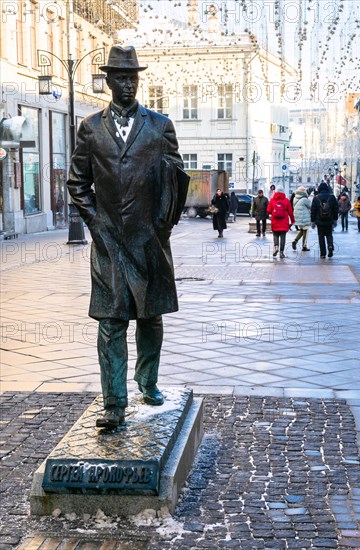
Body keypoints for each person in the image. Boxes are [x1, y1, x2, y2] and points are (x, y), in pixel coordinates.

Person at [67, 45, 189, 430]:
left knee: (150, 317)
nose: (127, 84)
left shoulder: (160, 126)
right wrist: (95, 223)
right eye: (120, 77)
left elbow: (176, 178)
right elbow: (77, 182)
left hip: (150, 239)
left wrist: (164, 222)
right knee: (111, 321)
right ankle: (114, 404)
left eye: (133, 77)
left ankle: (148, 383)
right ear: (108, 81)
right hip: (109, 242)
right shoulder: (89, 128)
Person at [311, 181, 338, 258]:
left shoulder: (316, 198)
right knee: (329, 234)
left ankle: (323, 254)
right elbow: (336, 209)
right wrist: (335, 219)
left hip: (319, 221)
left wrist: (313, 221)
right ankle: (330, 246)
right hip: (329, 220)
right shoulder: (332, 197)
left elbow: (313, 210)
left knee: (321, 236)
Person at [267, 185, 294, 258]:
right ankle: (281, 252)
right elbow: (290, 212)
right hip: (284, 222)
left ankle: (276, 247)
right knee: (283, 237)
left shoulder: (272, 200)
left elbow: (268, 210)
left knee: (275, 235)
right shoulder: (286, 200)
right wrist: (292, 221)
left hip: (275, 221)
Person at [291, 186, 311, 251]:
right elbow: (311, 206)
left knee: (302, 230)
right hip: (304, 217)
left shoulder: (295, 198)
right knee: (306, 230)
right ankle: (304, 246)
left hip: (298, 217)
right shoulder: (304, 199)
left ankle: (295, 241)